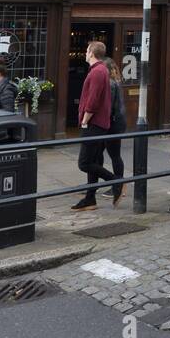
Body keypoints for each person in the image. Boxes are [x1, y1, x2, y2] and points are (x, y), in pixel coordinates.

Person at [74, 40, 116, 211]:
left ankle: (115, 181)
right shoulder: (99, 70)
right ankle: (90, 199)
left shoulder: (98, 71)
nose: (85, 53)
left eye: (86, 50)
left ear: (91, 52)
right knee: (92, 161)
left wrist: (85, 120)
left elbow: (93, 100)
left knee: (84, 163)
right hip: (97, 123)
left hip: (94, 124)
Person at [105, 58, 127, 206]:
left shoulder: (111, 84)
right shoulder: (116, 81)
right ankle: (117, 183)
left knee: (114, 154)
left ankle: (118, 185)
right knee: (114, 154)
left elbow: (109, 107)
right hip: (119, 121)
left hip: (113, 123)